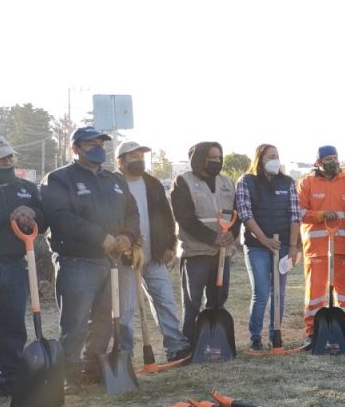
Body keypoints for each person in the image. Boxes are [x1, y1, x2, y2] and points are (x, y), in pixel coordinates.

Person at [41, 126, 139, 388]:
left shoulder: (114, 180)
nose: (98, 147)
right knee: (75, 322)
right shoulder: (59, 179)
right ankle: (69, 376)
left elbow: (132, 212)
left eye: (100, 143)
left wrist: (128, 236)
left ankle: (95, 370)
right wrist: (100, 237)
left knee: (105, 320)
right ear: (75, 148)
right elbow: (61, 217)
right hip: (77, 261)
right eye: (90, 144)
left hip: (112, 261)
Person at [0, 135, 45, 397]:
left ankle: (12, 375)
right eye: (1, 157)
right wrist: (5, 215)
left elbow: (44, 218)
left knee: (13, 323)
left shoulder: (27, 188)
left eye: (9, 156)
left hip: (16, 265)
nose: (8, 160)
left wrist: (32, 214)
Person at [115, 141, 191, 362]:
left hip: (154, 254)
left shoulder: (153, 184)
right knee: (125, 309)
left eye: (141, 156)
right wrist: (124, 243)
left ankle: (176, 346)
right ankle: (124, 356)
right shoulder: (112, 184)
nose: (139, 160)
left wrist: (170, 246)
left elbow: (167, 218)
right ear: (120, 161)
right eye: (133, 156)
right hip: (125, 256)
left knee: (165, 300)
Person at [171, 141, 241, 345]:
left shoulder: (227, 182)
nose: (216, 161)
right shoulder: (183, 182)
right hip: (196, 253)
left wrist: (232, 235)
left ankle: (213, 340)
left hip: (222, 253)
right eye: (211, 157)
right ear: (199, 159)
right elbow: (185, 218)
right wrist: (212, 237)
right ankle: (190, 342)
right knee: (192, 302)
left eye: (219, 157)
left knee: (219, 298)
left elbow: (237, 214)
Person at [235, 144, 302, 351]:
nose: (275, 160)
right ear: (260, 159)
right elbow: (246, 215)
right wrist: (264, 240)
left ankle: (276, 333)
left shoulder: (287, 182)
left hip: (282, 246)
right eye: (271, 156)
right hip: (257, 246)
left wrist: (293, 245)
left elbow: (294, 215)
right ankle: (255, 337)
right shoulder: (247, 182)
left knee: (279, 293)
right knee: (262, 292)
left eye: (277, 156)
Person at [298, 145, 345, 347]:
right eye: (328, 159)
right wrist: (321, 215)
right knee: (315, 293)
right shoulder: (307, 183)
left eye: (335, 157)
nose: (333, 162)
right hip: (316, 248)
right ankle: (312, 330)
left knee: (344, 293)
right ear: (318, 162)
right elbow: (299, 213)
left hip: (344, 246)